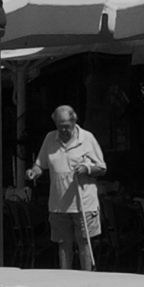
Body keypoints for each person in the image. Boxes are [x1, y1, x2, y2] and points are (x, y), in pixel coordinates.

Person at [31, 105, 107, 271]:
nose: (64, 130)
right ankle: (65, 280)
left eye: (67, 126)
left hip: (83, 203)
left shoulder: (87, 138)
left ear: (74, 121)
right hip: (58, 205)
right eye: (60, 126)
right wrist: (34, 172)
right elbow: (40, 164)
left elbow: (102, 168)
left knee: (84, 243)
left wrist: (86, 168)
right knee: (63, 245)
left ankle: (87, 281)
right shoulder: (50, 138)